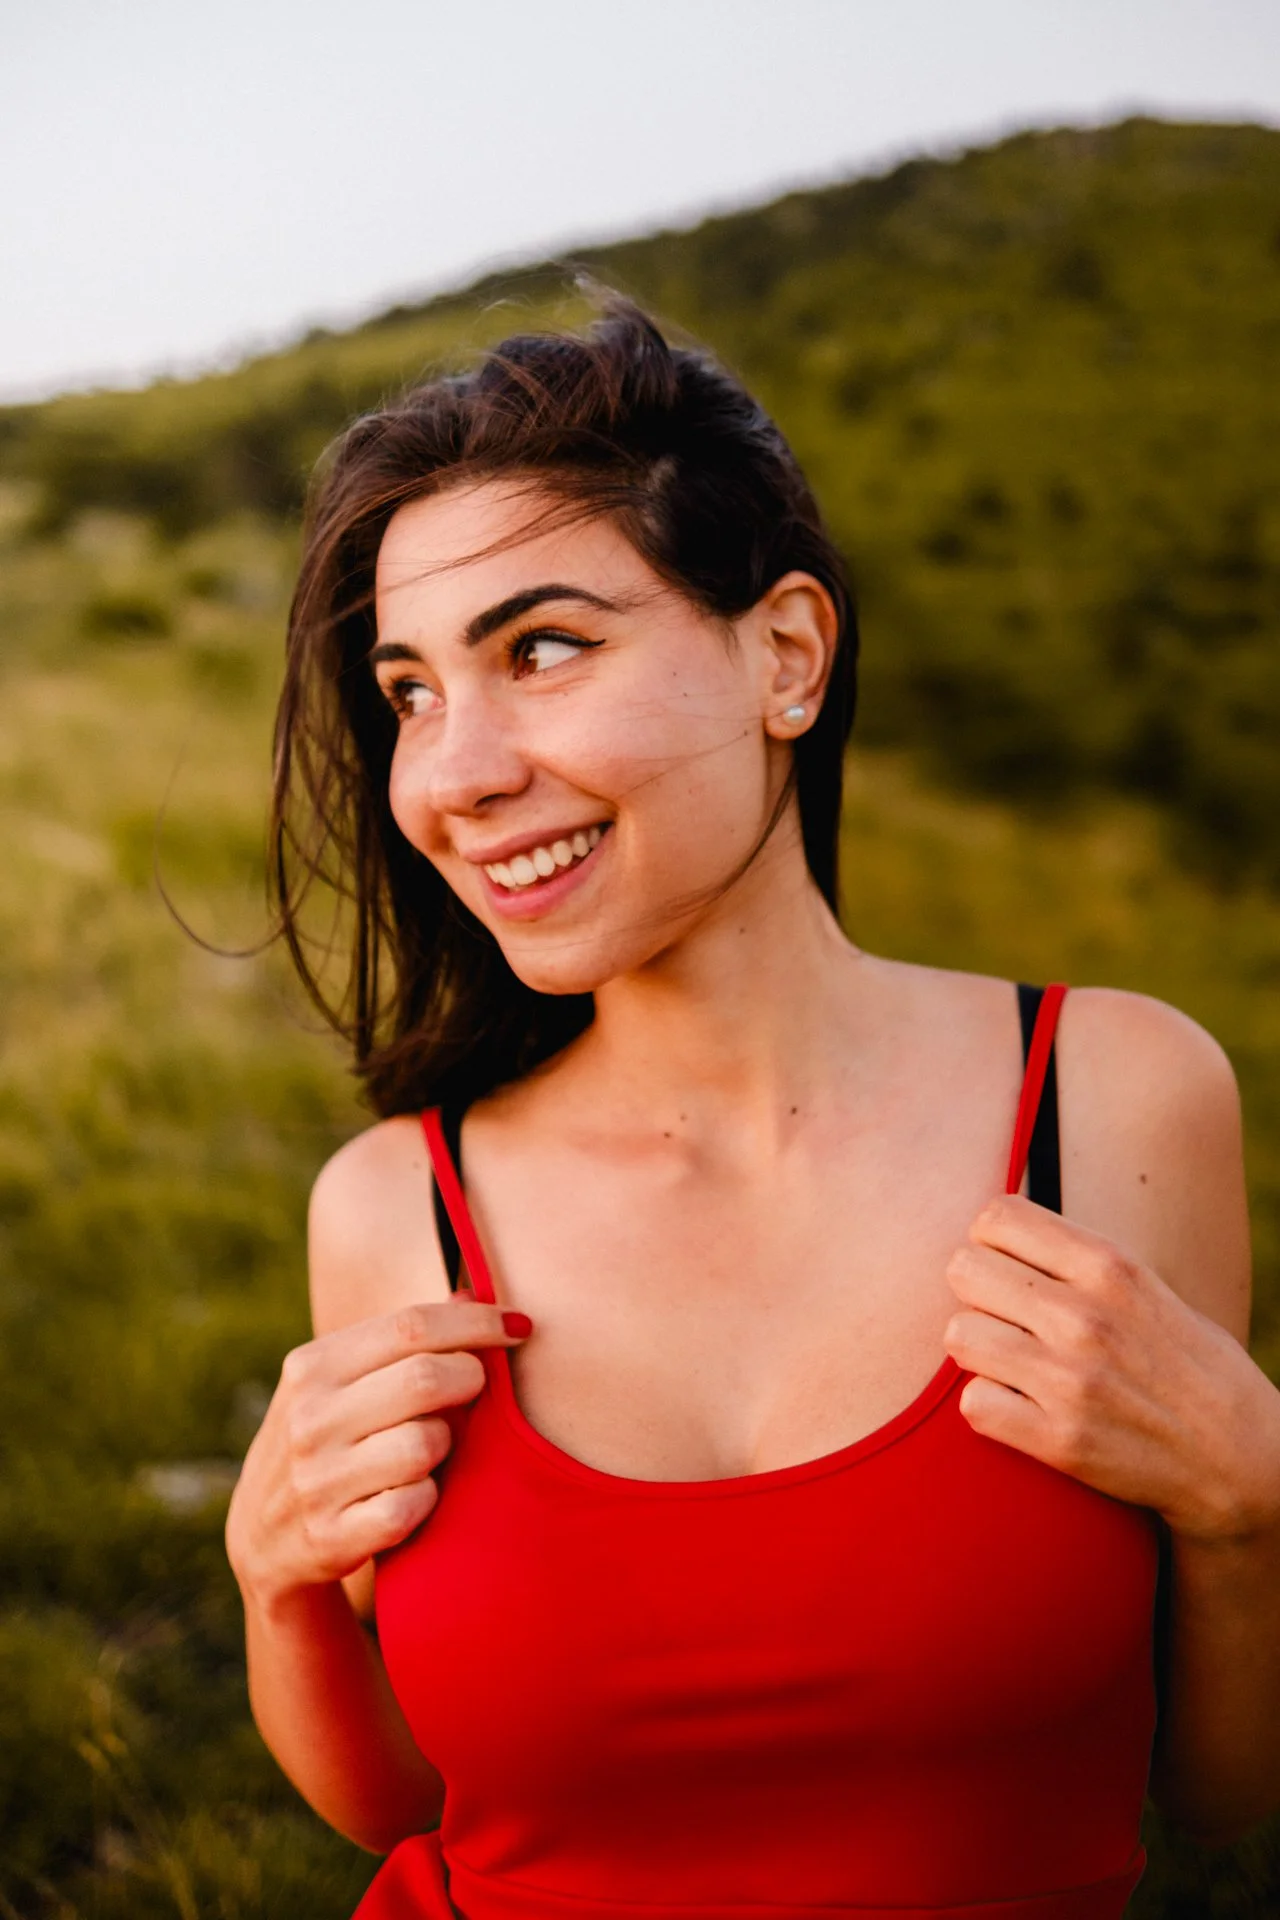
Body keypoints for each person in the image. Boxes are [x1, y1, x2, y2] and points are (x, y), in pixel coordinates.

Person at [225, 298, 1280, 1920]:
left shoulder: (1116, 1097)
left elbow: (1223, 1796)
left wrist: (1249, 1504)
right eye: (412, 690)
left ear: (784, 654)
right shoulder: (392, 1206)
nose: (452, 773)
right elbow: (413, 1805)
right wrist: (278, 1584)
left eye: (544, 649)